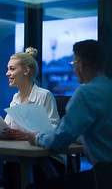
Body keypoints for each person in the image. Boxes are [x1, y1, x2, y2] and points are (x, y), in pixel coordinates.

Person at [26, 39, 112, 189]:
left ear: (81, 65)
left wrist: (37, 138)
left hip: (104, 177)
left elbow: (58, 141)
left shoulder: (86, 93)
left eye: (73, 64)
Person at [0, 47, 64, 189]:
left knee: (14, 170)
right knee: (11, 168)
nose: (7, 73)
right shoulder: (15, 98)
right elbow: (7, 128)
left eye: (12, 69)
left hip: (47, 158)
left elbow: (55, 130)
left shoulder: (44, 95)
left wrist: (26, 136)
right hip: (22, 157)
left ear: (26, 71)